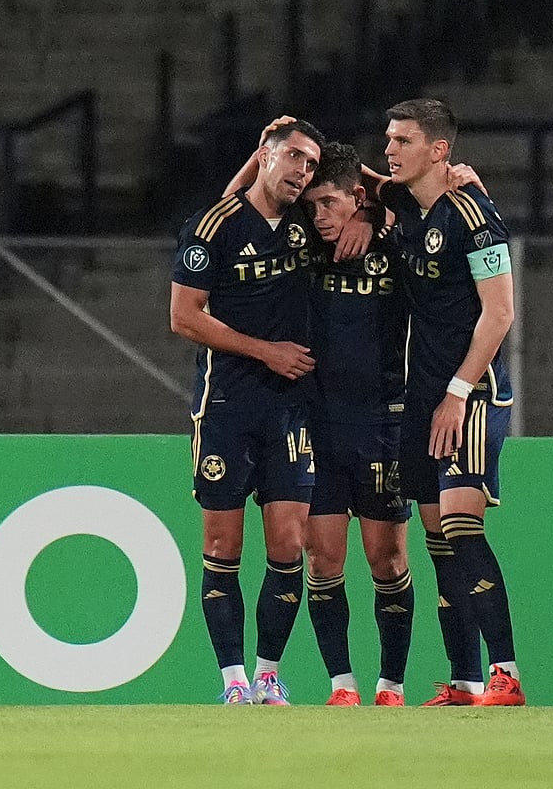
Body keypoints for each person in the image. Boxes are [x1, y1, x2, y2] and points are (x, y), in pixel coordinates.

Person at [369, 98, 525, 706]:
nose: (391, 150)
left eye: (403, 140)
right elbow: (362, 179)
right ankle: (464, 680)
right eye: (388, 139)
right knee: (438, 540)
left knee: (462, 523)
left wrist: (458, 392)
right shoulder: (409, 204)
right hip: (421, 397)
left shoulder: (475, 216)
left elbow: (501, 311)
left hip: (474, 393)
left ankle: (505, 674)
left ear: (439, 150)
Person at [170, 118, 327, 705]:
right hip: (227, 406)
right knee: (223, 545)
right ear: (264, 154)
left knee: (289, 543)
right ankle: (232, 680)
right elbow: (184, 317)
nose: (302, 172)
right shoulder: (212, 227)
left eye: (310, 165)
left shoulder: (307, 225)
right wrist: (267, 352)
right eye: (293, 158)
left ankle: (268, 673)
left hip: (290, 408)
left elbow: (373, 195)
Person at [300, 142, 415, 707]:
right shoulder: (302, 246)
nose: (320, 216)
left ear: (358, 198)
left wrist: (375, 210)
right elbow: (230, 216)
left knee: (387, 559)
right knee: (323, 559)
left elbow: (440, 203)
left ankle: (390, 686)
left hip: (383, 421)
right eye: (312, 204)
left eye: (330, 204)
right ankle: (341, 685)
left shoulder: (395, 247)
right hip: (316, 425)